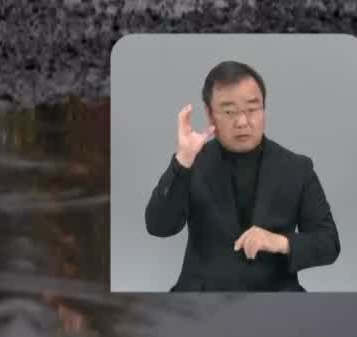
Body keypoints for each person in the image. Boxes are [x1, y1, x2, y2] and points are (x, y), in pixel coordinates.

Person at [143, 60, 341, 291]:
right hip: (202, 300)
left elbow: (329, 243)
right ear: (209, 114)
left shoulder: (297, 168)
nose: (242, 122)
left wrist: (280, 242)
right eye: (229, 112)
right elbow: (158, 227)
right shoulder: (192, 163)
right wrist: (183, 160)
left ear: (264, 109)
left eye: (252, 109)